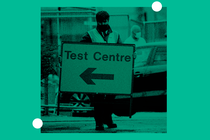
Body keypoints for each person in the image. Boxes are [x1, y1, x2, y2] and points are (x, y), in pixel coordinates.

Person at [80, 10, 122, 130]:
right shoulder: (90, 34)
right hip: (96, 72)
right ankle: (99, 122)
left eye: (105, 21)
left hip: (111, 72)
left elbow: (123, 52)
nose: (103, 23)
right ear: (97, 21)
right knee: (98, 99)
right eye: (101, 21)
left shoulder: (116, 35)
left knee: (110, 98)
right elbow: (80, 50)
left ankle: (108, 120)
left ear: (108, 20)